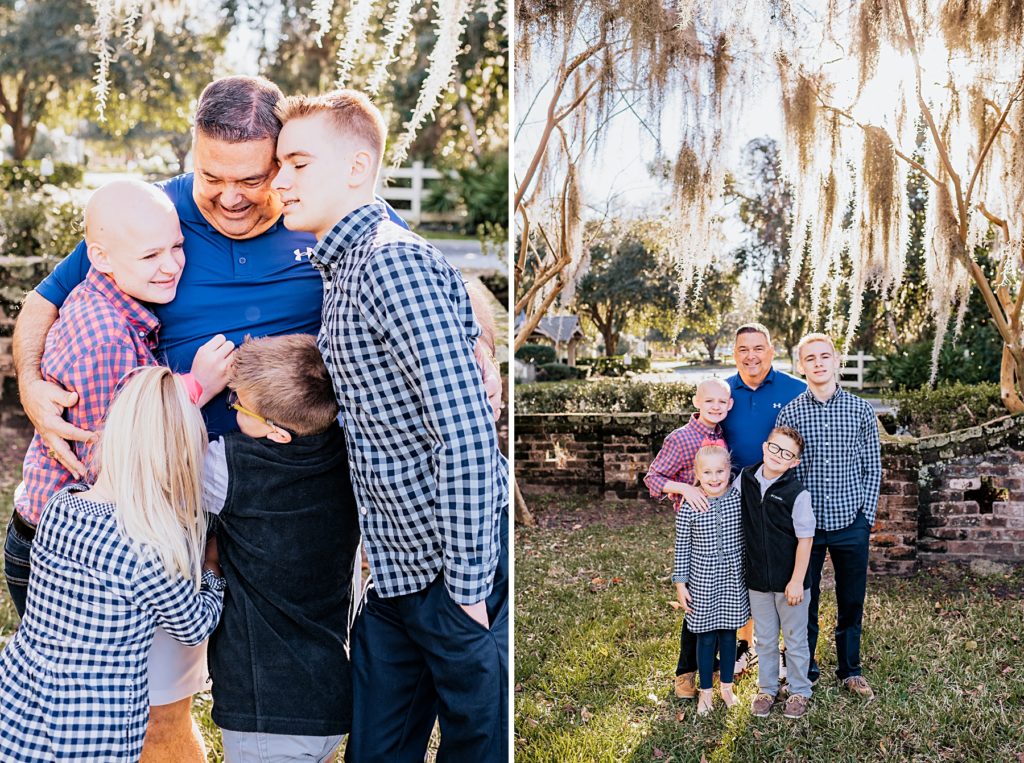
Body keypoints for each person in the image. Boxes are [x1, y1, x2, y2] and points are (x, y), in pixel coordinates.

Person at [9, 76, 496, 761]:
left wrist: (480, 337)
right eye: (212, 176)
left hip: (292, 504)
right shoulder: (157, 216)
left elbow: (419, 267)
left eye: (256, 176)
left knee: (287, 680)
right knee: (149, 706)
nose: (232, 195)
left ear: (284, 162)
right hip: (171, 500)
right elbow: (46, 300)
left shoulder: (318, 216)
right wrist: (30, 382)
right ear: (192, 156)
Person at [273, 89, 508, 762]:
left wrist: (465, 591)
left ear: (355, 168)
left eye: (297, 163)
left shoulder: (390, 262)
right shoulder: (343, 268)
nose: (280, 181)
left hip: (451, 572)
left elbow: (461, 432)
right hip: (395, 575)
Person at [6, 179, 232, 615]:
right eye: (150, 255)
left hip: (81, 538)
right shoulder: (105, 338)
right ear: (101, 258)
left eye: (177, 247)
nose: (171, 266)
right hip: (66, 552)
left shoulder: (117, 301)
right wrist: (196, 386)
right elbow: (113, 453)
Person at [0, 367, 226, 761]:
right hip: (93, 726)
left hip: (23, 698)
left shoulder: (61, 506)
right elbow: (195, 626)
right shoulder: (152, 554)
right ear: (178, 461)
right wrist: (211, 570)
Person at [201, 335, 360, 763]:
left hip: (266, 709)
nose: (231, 407)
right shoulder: (347, 454)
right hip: (325, 694)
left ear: (277, 432)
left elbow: (164, 476)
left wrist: (196, 388)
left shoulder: (229, 467)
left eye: (239, 405)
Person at [777, 333, 881, 700]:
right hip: (805, 529)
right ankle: (805, 669)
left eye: (825, 356)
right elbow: (784, 472)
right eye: (810, 358)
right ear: (801, 366)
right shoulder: (790, 413)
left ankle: (850, 670)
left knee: (851, 599)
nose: (818, 363)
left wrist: (865, 516)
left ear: (837, 361)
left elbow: (873, 467)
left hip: (850, 521)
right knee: (804, 601)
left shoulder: (860, 410)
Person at [643, 377, 732, 700]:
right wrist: (685, 488)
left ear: (729, 405)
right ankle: (685, 674)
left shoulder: (723, 434)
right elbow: (653, 478)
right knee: (696, 607)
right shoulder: (681, 439)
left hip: (723, 532)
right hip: (695, 533)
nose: (716, 407)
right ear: (696, 402)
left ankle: (720, 670)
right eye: (709, 401)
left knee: (723, 604)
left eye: (722, 402)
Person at [735, 426, 815, 719]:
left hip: (791, 584)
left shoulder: (797, 493)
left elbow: (806, 539)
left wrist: (796, 580)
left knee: (794, 640)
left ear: (794, 462)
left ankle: (799, 690)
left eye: (787, 454)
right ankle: (767, 689)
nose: (778, 456)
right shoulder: (744, 479)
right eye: (774, 448)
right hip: (757, 580)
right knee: (765, 639)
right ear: (764, 446)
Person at [672, 444, 749, 716]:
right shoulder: (690, 506)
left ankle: (726, 687)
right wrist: (680, 584)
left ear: (729, 471)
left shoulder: (738, 499)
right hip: (702, 581)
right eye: (708, 472)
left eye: (720, 471)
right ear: (697, 475)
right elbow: (682, 547)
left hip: (732, 580)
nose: (714, 478)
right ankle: (705, 691)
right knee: (705, 638)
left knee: (729, 636)